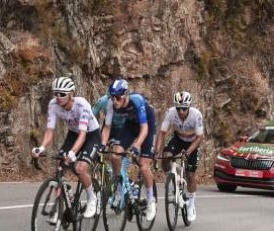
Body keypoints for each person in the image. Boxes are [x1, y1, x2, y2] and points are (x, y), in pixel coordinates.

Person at [31, 77, 101, 219]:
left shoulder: (82, 105)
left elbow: (83, 134)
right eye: (56, 93)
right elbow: (50, 131)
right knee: (60, 164)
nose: (58, 97)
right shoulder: (53, 105)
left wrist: (73, 153)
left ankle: (92, 198)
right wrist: (42, 147)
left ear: (71, 94)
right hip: (73, 134)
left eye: (62, 94)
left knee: (80, 168)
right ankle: (65, 195)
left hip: (91, 135)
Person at [101, 79, 157, 221]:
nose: (115, 101)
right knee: (115, 155)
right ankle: (119, 187)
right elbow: (107, 128)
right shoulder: (111, 104)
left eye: (118, 97)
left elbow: (144, 129)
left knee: (144, 166)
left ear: (125, 95)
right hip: (131, 126)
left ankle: (151, 200)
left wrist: (137, 146)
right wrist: (102, 145)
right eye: (112, 97)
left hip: (147, 126)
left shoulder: (136, 101)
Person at [155, 91, 204, 221]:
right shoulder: (170, 113)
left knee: (190, 174)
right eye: (178, 108)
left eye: (184, 108)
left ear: (188, 107)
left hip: (193, 142)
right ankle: (172, 176)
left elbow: (200, 137)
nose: (181, 111)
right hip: (178, 139)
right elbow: (162, 132)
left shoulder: (196, 115)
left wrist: (188, 152)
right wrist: (157, 150)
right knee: (166, 156)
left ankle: (191, 204)